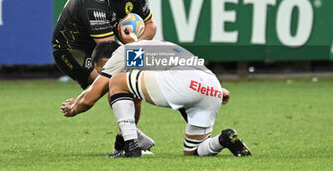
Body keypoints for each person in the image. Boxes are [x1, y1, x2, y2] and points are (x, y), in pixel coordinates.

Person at [61, 40, 252, 158]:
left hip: (185, 83)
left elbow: (91, 97)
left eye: (101, 70)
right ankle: (224, 139)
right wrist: (217, 90)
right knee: (193, 151)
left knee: (116, 82)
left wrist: (74, 108)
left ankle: (130, 146)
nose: (102, 74)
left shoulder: (122, 53)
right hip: (211, 85)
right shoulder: (146, 49)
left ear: (105, 61)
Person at [52, 0, 157, 90]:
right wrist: (134, 50)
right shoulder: (94, 2)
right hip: (71, 48)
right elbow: (111, 53)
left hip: (100, 44)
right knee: (117, 82)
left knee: (129, 81)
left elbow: (151, 26)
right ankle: (79, 104)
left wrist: (135, 45)